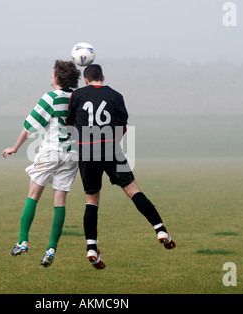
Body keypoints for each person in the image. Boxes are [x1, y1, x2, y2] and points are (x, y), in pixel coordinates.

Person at [67, 64, 176, 270]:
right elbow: (123, 124)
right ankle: (160, 230)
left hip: (87, 153)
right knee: (133, 190)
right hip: (110, 149)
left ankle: (92, 248)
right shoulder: (116, 95)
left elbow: (70, 123)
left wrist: (82, 141)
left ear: (85, 79)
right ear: (103, 77)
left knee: (91, 200)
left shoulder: (78, 95)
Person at [3, 60, 80, 268]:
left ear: (57, 76)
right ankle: (51, 248)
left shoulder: (51, 97)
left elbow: (30, 125)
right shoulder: (77, 97)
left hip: (51, 151)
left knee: (33, 194)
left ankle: (22, 241)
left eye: (53, 72)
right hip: (72, 155)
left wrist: (15, 147)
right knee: (60, 200)